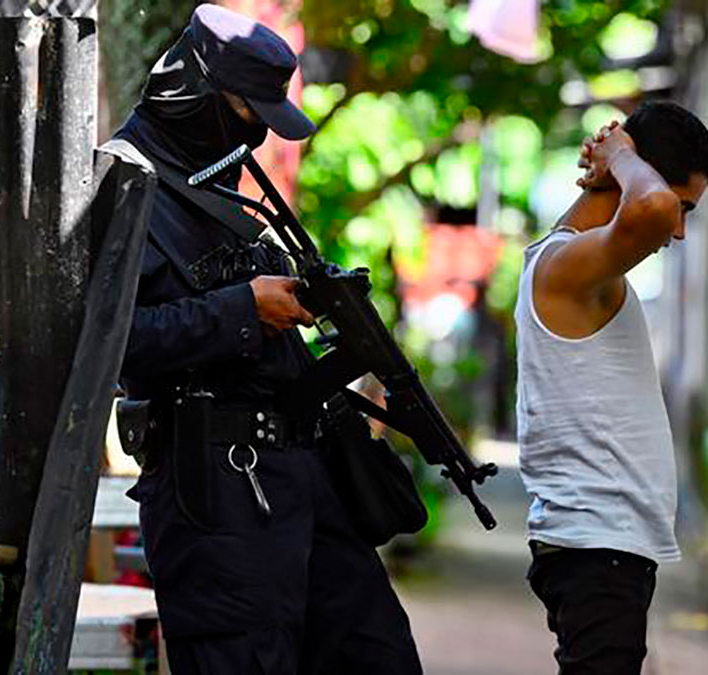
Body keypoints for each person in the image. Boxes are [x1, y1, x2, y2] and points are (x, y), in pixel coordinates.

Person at [103, 5, 423, 673]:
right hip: (215, 496)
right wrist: (241, 309)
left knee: (379, 654)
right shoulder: (121, 182)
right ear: (194, 90)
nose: (254, 135)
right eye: (247, 113)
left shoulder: (223, 184)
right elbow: (108, 345)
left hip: (301, 475)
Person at [515, 101, 708, 674]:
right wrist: (621, 155)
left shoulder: (582, 267)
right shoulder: (565, 268)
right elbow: (652, 206)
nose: (677, 229)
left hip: (603, 551)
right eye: (683, 207)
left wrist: (622, 160)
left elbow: (653, 205)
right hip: (594, 551)